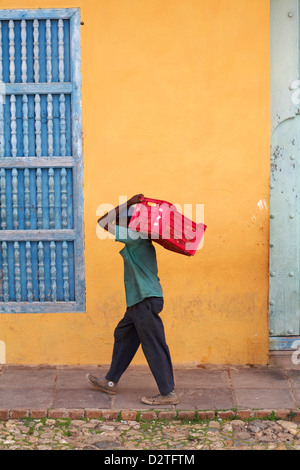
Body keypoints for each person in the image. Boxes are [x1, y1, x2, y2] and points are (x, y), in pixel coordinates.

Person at [86, 194, 179, 405]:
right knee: (124, 335)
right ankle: (110, 381)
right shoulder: (138, 240)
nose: (117, 222)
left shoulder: (136, 238)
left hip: (144, 301)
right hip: (139, 302)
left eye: (122, 219)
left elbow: (102, 222)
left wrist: (127, 203)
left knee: (154, 345)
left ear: (131, 223)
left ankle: (168, 393)